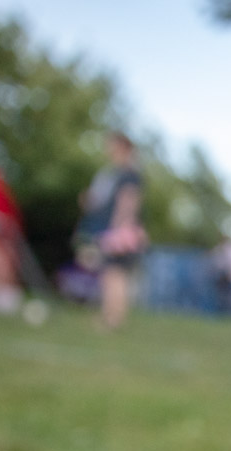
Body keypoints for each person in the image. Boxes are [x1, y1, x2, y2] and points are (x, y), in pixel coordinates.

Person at [76, 131, 146, 331]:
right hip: (114, 230)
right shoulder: (113, 174)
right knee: (110, 273)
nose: (108, 149)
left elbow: (128, 201)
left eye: (112, 145)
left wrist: (118, 230)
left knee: (115, 274)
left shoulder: (129, 173)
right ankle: (110, 315)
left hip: (119, 232)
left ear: (123, 148)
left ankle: (114, 318)